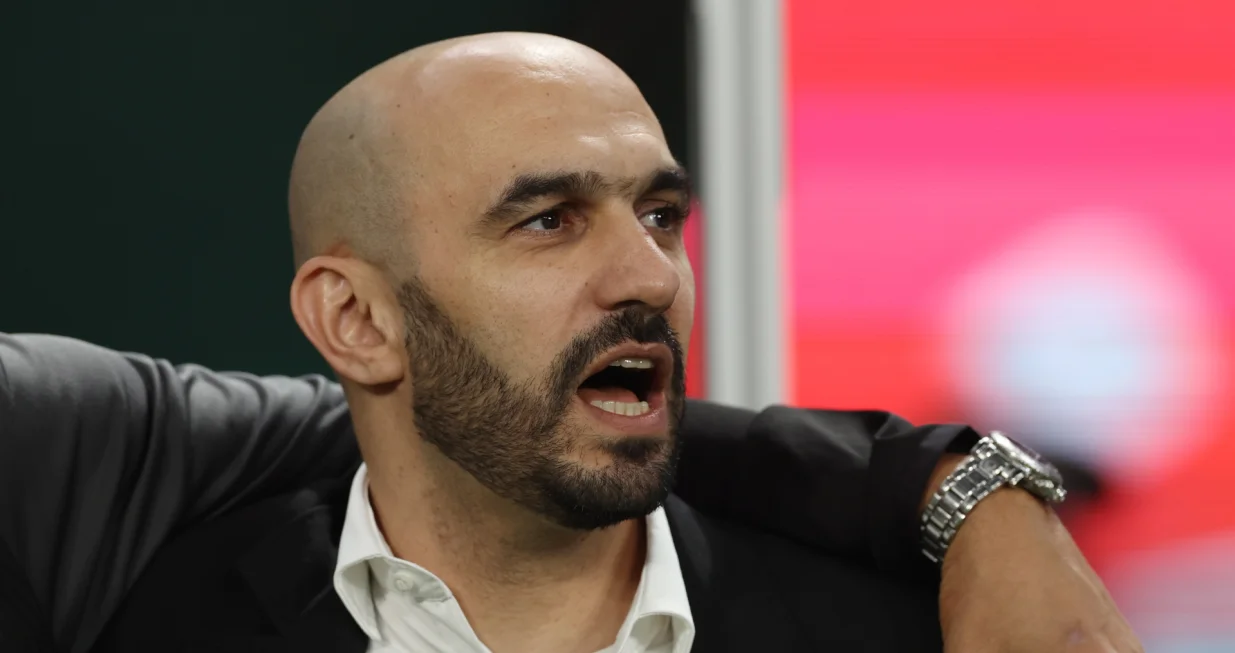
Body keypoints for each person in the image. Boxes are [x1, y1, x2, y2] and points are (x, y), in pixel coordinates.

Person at [0, 33, 1139, 653]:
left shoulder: (894, 631)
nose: (649, 274)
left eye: (658, 214)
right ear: (354, 318)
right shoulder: (149, 614)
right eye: (545, 220)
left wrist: (969, 489)